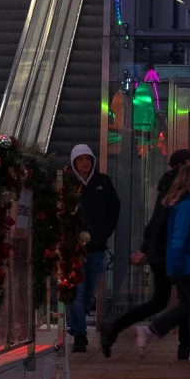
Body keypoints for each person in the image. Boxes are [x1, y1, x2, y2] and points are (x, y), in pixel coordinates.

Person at [99, 147, 190, 356]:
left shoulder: (170, 184)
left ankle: (184, 347)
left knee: (175, 300)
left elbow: (155, 222)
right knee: (182, 301)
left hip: (163, 252)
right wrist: (150, 250)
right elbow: (158, 222)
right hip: (165, 253)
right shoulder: (174, 187)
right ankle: (127, 329)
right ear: (181, 166)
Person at [126, 160, 190, 361]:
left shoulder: (184, 203)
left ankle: (151, 330)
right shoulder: (188, 204)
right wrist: (179, 264)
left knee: (187, 306)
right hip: (185, 264)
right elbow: (179, 236)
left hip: (182, 263)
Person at [65, 141, 119, 351]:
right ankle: (80, 334)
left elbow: (115, 207)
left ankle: (77, 321)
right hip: (74, 250)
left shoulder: (103, 182)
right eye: (81, 160)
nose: (85, 163)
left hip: (96, 248)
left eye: (88, 159)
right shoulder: (69, 184)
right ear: (74, 162)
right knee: (77, 293)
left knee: (89, 293)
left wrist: (105, 231)